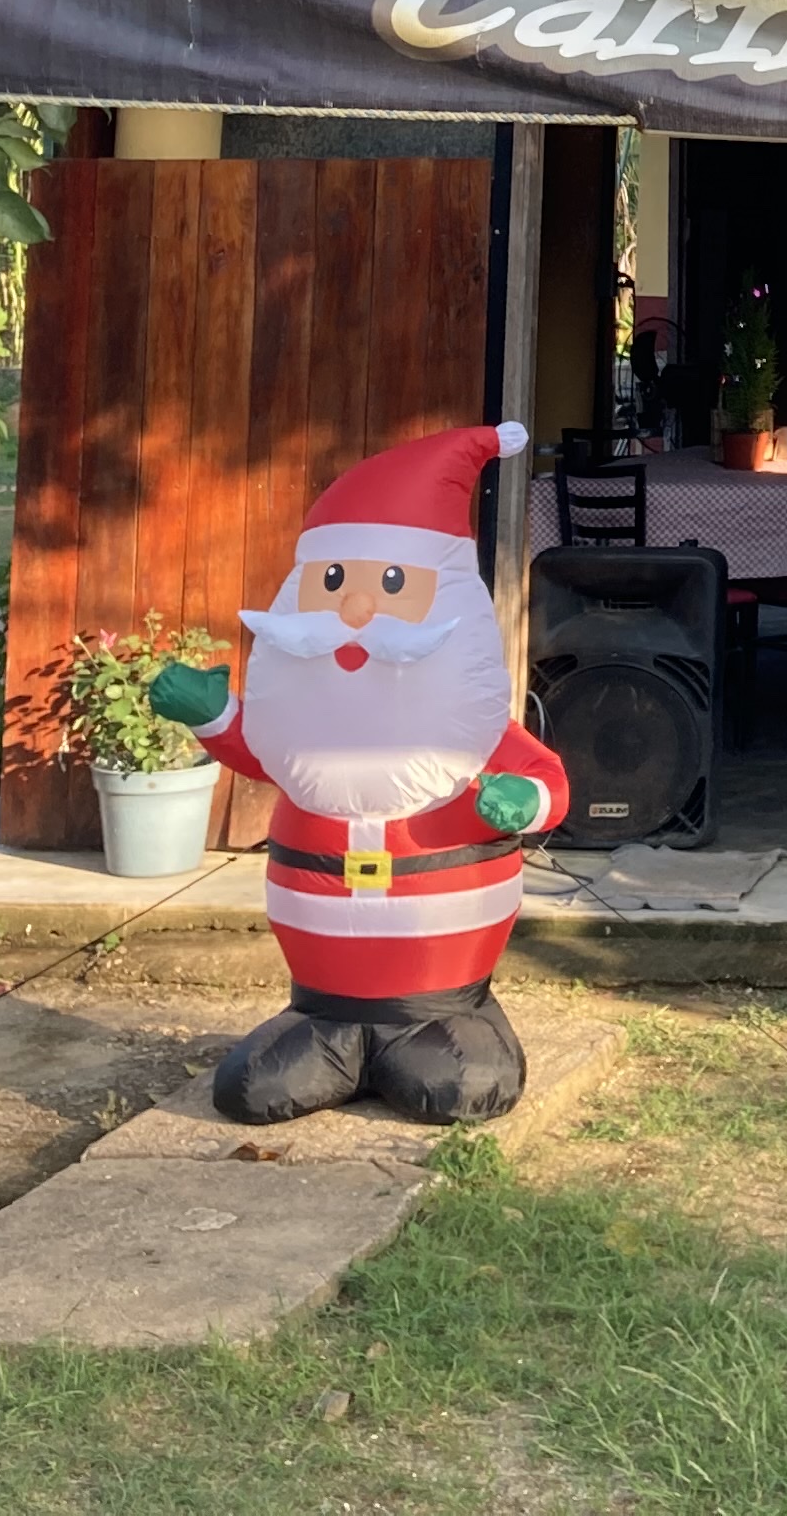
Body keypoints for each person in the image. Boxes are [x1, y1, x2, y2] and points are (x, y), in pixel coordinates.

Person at [149, 422, 568, 1122]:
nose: (355, 607)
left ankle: (452, 1024)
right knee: (252, 1090)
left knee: (458, 1082)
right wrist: (213, 713)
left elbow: (548, 780)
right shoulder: (298, 724)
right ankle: (330, 1032)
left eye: (393, 583)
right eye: (334, 580)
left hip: (441, 1002)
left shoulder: (469, 732)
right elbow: (266, 749)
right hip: (323, 1004)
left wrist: (523, 800)